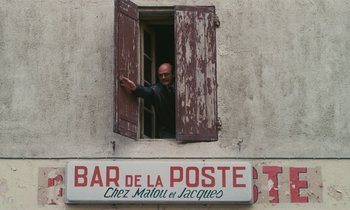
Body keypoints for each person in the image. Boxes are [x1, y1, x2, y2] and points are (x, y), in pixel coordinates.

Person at [120, 63, 175, 138]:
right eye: (160, 75)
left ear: (173, 74)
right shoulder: (157, 89)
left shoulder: (183, 86)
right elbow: (148, 91)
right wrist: (135, 88)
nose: (163, 77)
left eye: (166, 74)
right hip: (167, 133)